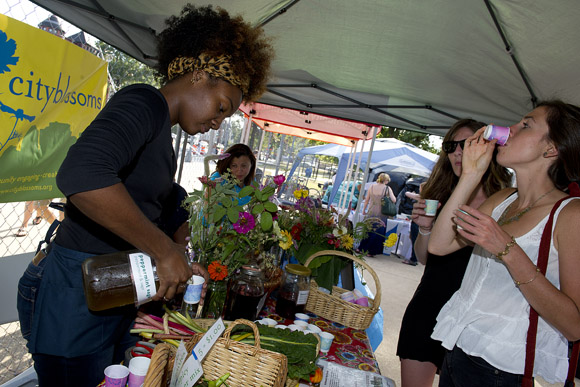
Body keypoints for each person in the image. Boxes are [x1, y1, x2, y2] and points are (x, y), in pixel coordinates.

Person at [16, 5, 274, 386]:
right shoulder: (142, 102)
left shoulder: (161, 135)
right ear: (200, 75)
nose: (219, 121)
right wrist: (162, 251)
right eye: (222, 107)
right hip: (74, 291)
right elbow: (82, 175)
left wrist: (181, 257)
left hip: (110, 287)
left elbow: (157, 203)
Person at [429, 101, 580, 386]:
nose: (509, 130)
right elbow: (439, 245)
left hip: (501, 371)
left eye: (525, 125)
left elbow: (574, 325)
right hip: (457, 351)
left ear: (551, 149)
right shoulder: (502, 200)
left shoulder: (570, 214)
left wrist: (507, 250)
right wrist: (471, 175)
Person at [396, 119, 512, 386]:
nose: (458, 152)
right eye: (451, 146)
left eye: (468, 144)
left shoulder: (506, 201)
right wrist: (425, 229)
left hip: (474, 319)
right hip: (429, 306)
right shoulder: (440, 196)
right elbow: (426, 257)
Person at [357, 173, 396, 257]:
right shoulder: (387, 188)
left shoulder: (372, 187)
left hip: (371, 211)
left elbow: (367, 200)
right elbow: (394, 199)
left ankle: (361, 248)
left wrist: (364, 210)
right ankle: (370, 251)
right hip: (381, 213)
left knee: (367, 230)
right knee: (377, 232)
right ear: (386, 180)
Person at [396, 177, 426, 265]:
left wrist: (411, 193)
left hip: (417, 222)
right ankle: (414, 258)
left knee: (414, 239)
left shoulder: (421, 197)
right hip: (421, 222)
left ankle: (413, 259)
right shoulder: (427, 198)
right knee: (416, 239)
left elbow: (407, 193)